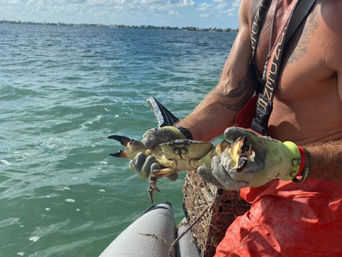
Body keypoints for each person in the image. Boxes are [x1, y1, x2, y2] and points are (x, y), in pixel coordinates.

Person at [131, 0, 342, 256]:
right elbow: (229, 95)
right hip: (266, 180)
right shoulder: (255, 6)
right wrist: (178, 135)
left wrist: (291, 160)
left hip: (323, 192)